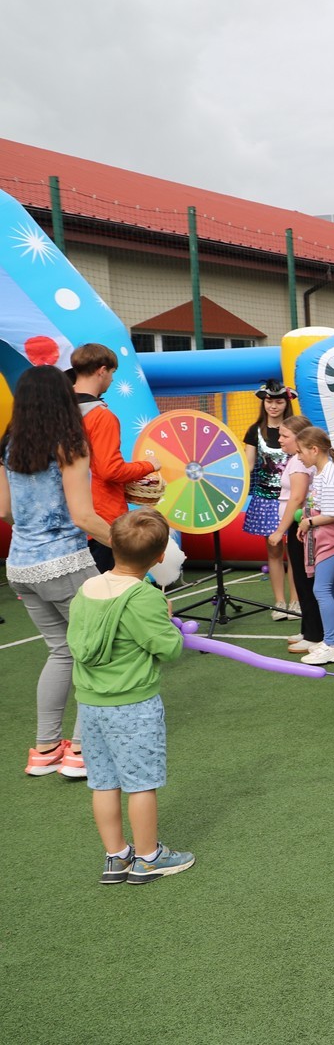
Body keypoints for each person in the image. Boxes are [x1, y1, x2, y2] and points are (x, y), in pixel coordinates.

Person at [67, 507, 193, 883]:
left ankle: (116, 855)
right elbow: (168, 649)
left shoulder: (86, 589)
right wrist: (166, 618)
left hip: (90, 705)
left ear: (111, 544)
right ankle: (149, 857)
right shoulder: (143, 596)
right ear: (160, 556)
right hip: (133, 705)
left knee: (104, 781)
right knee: (141, 783)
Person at [3, 365, 115, 778]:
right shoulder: (70, 444)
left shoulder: (9, 444)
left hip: (21, 564)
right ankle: (82, 750)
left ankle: (46, 748)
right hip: (64, 563)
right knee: (97, 652)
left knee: (62, 650)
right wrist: (130, 545)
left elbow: (5, 511)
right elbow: (83, 516)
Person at [65, 343, 156, 573]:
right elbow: (110, 470)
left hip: (65, 517)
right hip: (100, 518)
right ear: (102, 370)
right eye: (113, 372)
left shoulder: (55, 409)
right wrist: (148, 466)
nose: (113, 379)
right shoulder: (101, 416)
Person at [295, 426, 334, 666]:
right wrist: (307, 522)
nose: (298, 457)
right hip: (326, 538)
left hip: (331, 539)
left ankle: (331, 644)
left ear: (314, 449)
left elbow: (333, 513)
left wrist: (308, 522)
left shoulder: (329, 474)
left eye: (300, 452)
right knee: (332, 589)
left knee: (321, 590)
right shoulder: (321, 472)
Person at [268, 415, 325, 654]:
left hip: (300, 526)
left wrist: (280, 530)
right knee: (301, 579)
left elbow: (297, 497)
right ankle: (308, 629)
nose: (280, 439)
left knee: (305, 579)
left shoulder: (299, 463)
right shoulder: (295, 460)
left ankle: (314, 634)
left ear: (300, 438)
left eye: (285, 435)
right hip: (298, 525)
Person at [241, 381, 297, 618]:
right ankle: (280, 602)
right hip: (266, 499)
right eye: (269, 401)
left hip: (293, 499)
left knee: (295, 552)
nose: (273, 406)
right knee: (274, 551)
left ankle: (296, 601)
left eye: (278, 401)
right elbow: (248, 465)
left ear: (287, 403)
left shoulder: (297, 430)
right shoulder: (254, 431)